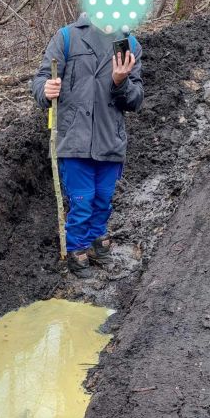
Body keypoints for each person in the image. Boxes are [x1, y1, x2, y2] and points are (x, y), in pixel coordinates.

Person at [32, 14, 143, 277]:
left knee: (103, 199)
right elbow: (41, 79)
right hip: (74, 138)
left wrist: (120, 82)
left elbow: (136, 99)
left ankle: (96, 242)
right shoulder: (67, 37)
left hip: (110, 138)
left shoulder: (129, 43)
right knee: (82, 201)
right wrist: (44, 89)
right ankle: (76, 250)